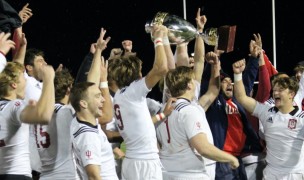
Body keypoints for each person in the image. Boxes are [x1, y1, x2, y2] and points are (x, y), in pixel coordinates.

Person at [156, 65, 239, 180]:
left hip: (167, 172)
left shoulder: (163, 110)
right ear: (189, 85)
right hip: (190, 174)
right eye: (193, 81)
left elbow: (157, 145)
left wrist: (215, 66)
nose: (195, 84)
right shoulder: (189, 111)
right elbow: (203, 148)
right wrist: (231, 158)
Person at [109, 24, 168, 180]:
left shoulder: (119, 96)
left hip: (131, 161)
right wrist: (158, 40)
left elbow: (141, 123)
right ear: (136, 75)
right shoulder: (133, 92)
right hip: (145, 163)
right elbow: (161, 68)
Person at [200, 37, 263, 180]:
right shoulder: (214, 103)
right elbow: (207, 85)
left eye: (230, 82)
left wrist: (253, 58)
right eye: (224, 82)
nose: (229, 84)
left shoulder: (237, 101)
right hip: (221, 160)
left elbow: (246, 81)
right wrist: (212, 63)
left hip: (238, 159)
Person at [233, 59, 304, 179]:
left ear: (291, 94)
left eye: (280, 90)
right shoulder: (265, 111)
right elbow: (241, 97)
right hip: (271, 174)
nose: (275, 93)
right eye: (274, 90)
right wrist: (238, 74)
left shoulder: (301, 119)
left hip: (295, 175)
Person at [70, 28, 118, 180]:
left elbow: (91, 82)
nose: (103, 99)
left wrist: (98, 52)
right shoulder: (87, 136)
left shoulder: (82, 119)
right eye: (98, 97)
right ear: (84, 104)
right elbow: (94, 177)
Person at [0, 61, 55, 179]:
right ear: (14, 84)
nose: (26, 81)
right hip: (17, 174)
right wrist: (49, 80)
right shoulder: (15, 105)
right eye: (23, 78)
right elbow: (45, 116)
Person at [35, 68, 80, 180]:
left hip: (44, 175)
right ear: (69, 88)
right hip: (64, 175)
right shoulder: (67, 112)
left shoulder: (38, 115)